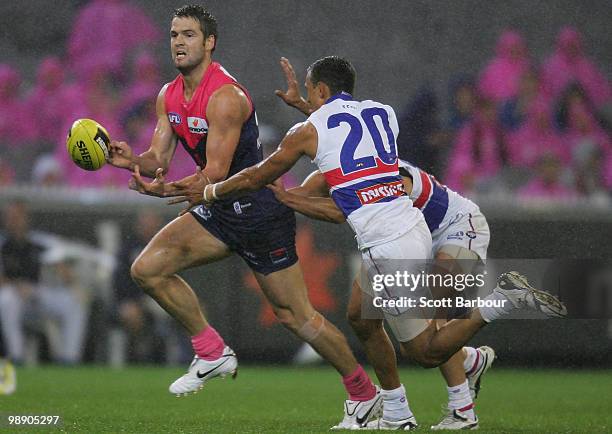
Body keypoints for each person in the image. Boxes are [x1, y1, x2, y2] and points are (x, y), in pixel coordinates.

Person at [183, 55, 567, 430]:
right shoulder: (382, 112)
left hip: (421, 235)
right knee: (360, 317)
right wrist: (308, 112)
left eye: (313, 96)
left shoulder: (316, 139)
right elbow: (342, 130)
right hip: (409, 227)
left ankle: (501, 305)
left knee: (425, 350)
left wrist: (214, 191)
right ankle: (399, 411)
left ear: (318, 89)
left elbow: (272, 176)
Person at [107, 5, 380, 428]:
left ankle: (363, 393)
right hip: (218, 209)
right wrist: (128, 162)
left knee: (297, 317)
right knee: (147, 269)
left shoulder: (226, 98)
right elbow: (157, 158)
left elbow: (214, 173)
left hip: (257, 212)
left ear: (210, 42)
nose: (178, 42)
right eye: (174, 34)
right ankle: (212, 351)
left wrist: (162, 188)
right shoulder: (168, 95)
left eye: (189, 35)